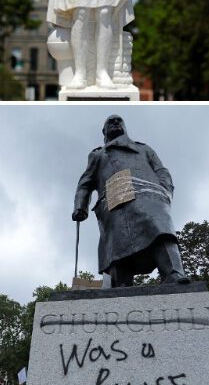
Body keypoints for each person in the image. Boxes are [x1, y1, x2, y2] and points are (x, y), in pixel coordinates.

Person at [72, 115, 190, 287]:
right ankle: (120, 287)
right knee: (117, 247)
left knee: (161, 230)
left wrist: (164, 191)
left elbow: (161, 171)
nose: (115, 122)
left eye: (118, 120)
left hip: (149, 196)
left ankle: (173, 273)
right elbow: (85, 183)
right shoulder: (98, 155)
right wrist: (80, 206)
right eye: (110, 122)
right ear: (104, 131)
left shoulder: (144, 149)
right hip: (115, 201)